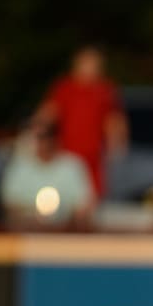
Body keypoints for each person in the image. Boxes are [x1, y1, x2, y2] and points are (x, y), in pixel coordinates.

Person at [34, 46, 127, 198]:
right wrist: (35, 133)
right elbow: (49, 113)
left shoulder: (105, 90)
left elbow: (113, 122)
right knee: (64, 195)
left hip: (93, 158)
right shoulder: (65, 88)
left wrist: (115, 146)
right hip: (67, 156)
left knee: (90, 197)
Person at [0, 122, 94, 230]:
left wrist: (66, 216)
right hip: (27, 233)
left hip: (65, 233)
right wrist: (33, 213)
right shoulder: (20, 166)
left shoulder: (72, 166)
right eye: (39, 137)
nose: (44, 142)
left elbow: (86, 204)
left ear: (56, 139)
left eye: (47, 136)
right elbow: (8, 203)